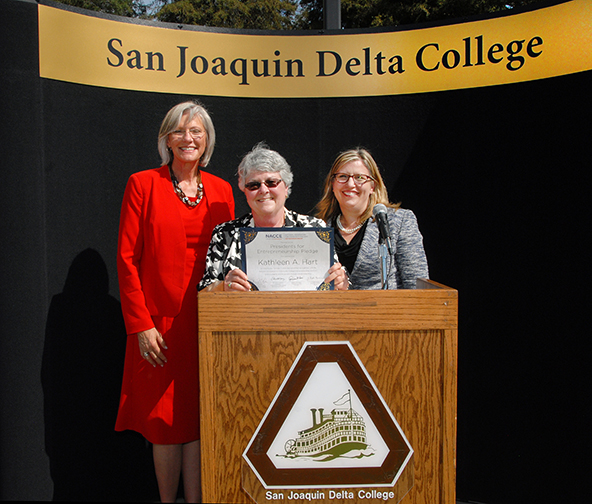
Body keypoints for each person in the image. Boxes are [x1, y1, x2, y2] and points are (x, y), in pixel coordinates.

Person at [115, 101, 235, 502]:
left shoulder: (221, 190)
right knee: (166, 422)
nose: (189, 139)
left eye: (197, 131)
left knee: (199, 417)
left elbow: (231, 254)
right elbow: (127, 259)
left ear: (207, 140)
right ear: (167, 139)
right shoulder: (142, 184)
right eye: (180, 131)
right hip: (160, 324)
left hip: (206, 320)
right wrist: (140, 324)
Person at [198, 142, 348, 292]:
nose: (263, 190)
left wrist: (341, 282)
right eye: (253, 185)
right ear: (244, 190)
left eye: (271, 182)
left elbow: (337, 287)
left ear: (286, 187)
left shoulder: (314, 229)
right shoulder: (225, 234)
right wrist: (224, 286)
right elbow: (204, 292)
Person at [316, 147, 428, 290]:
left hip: (388, 311)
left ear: (372, 186)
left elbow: (418, 285)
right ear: (332, 184)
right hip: (334, 312)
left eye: (359, 177)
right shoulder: (319, 228)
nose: (350, 184)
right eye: (342, 176)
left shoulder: (398, 222)